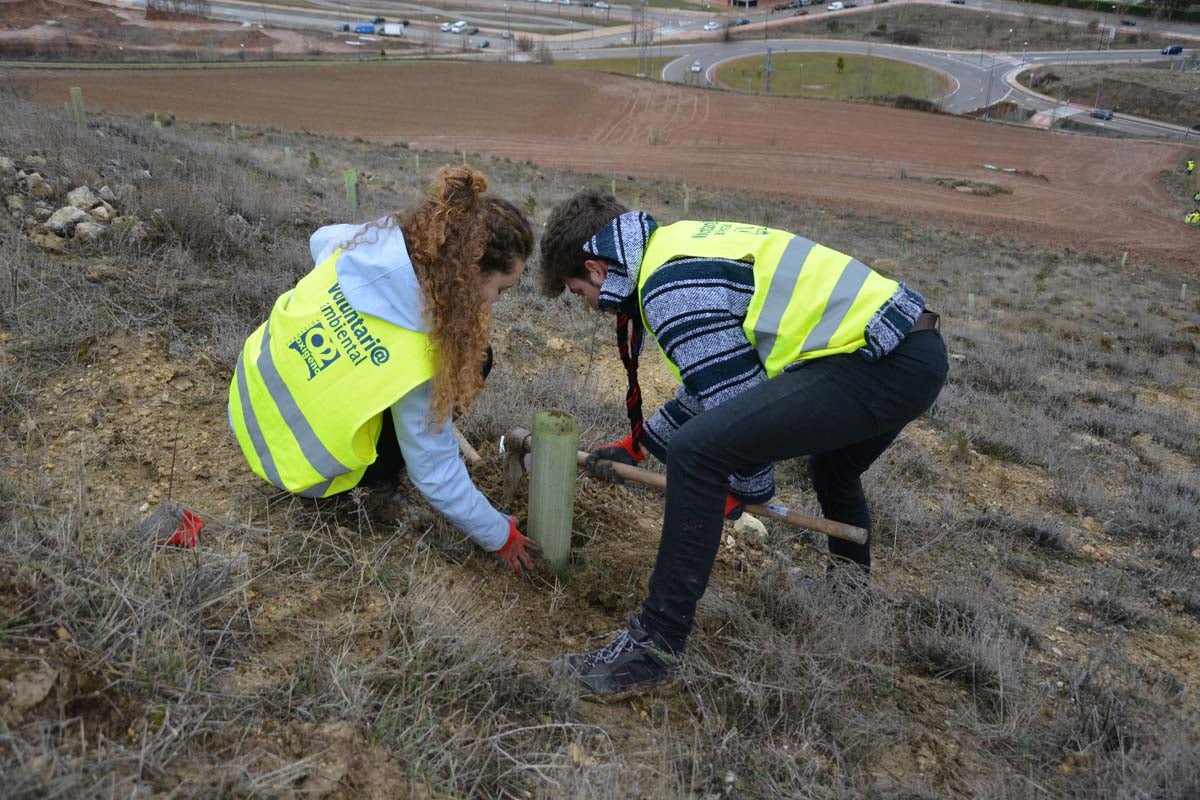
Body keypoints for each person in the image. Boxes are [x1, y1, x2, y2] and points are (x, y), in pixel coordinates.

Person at [537, 192, 948, 697]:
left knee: (699, 453)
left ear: (599, 270)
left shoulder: (668, 289)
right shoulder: (673, 247)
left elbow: (735, 401)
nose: (592, 306)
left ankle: (654, 649)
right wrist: (640, 446)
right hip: (913, 345)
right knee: (832, 469)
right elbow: (717, 385)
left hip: (882, 362)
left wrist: (740, 489)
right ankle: (849, 598)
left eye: (580, 292)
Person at [229, 167, 539, 575]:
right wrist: (499, 535)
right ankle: (377, 487)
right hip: (298, 468)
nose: (496, 302)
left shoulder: (371, 244)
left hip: (245, 404)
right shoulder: (422, 350)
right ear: (470, 271)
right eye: (501, 289)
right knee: (476, 361)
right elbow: (435, 473)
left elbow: (319, 238)